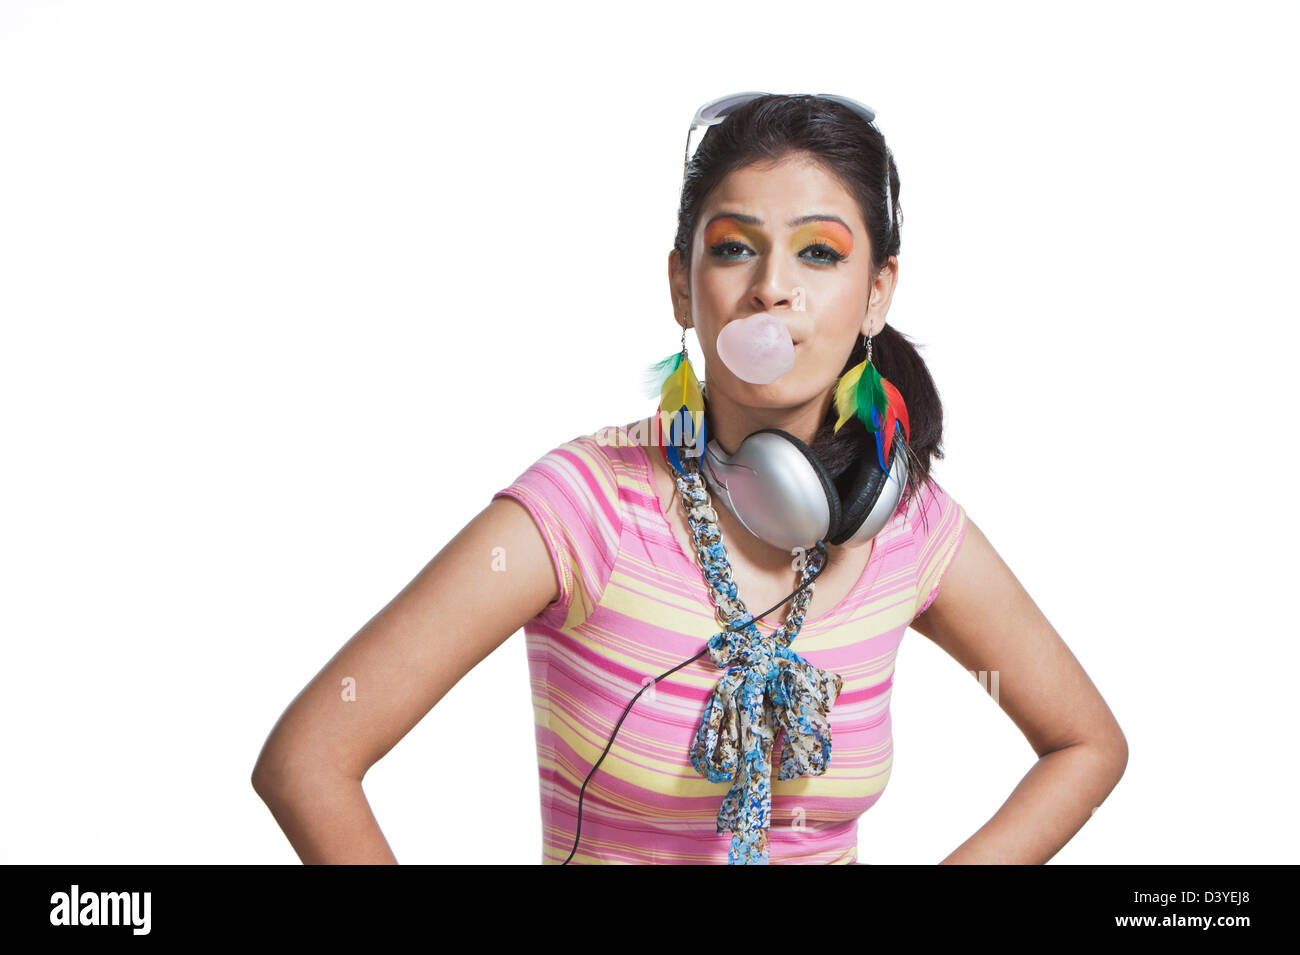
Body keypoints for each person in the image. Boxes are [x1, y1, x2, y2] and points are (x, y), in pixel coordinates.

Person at [251, 93, 1127, 865]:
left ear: (876, 293)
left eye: (820, 254)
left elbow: (1085, 743)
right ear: (683, 284)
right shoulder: (586, 503)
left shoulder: (907, 525)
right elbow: (309, 758)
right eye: (735, 247)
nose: (773, 288)